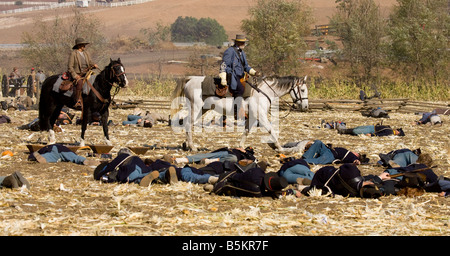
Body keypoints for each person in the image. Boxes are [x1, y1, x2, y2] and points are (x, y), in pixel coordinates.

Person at [219, 34, 260, 123]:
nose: (244, 44)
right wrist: (223, 76)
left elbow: (246, 66)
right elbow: (224, 65)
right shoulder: (229, 51)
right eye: (242, 42)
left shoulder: (242, 53)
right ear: (237, 42)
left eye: (244, 42)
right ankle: (237, 113)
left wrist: (254, 72)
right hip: (232, 75)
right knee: (240, 88)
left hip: (241, 76)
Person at [205, 165, 288, 199]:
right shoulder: (257, 191)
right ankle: (213, 187)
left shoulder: (258, 171)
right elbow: (264, 195)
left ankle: (214, 179)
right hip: (224, 188)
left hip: (228, 175)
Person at [68, 38, 99, 108]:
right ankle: (78, 100)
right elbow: (70, 67)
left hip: (87, 73)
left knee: (96, 80)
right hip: (78, 74)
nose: (84, 46)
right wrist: (75, 76)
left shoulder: (86, 53)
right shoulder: (73, 54)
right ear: (79, 46)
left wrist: (94, 64)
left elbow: (90, 62)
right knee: (80, 83)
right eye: (83, 45)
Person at [299, 139, 369, 165]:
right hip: (328, 150)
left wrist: (357, 161)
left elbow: (355, 161)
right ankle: (305, 157)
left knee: (318, 161)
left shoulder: (352, 156)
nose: (355, 152)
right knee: (318, 142)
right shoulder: (349, 153)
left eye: (357, 154)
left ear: (357, 156)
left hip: (331, 156)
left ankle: (301, 161)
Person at [165, 146, 256, 165]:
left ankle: (208, 161)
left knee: (233, 159)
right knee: (206, 155)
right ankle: (179, 160)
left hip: (231, 158)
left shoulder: (250, 156)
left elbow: (253, 160)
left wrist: (245, 152)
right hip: (226, 152)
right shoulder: (235, 149)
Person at [28, 144, 99, 166]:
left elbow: (30, 156)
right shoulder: (66, 148)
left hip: (53, 150)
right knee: (75, 158)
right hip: (63, 150)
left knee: (49, 157)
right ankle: (84, 161)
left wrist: (34, 154)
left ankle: (43, 157)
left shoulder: (43, 149)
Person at [338, 124, 405, 137]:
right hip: (372, 127)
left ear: (398, 133)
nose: (397, 129)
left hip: (372, 130)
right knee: (357, 128)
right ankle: (344, 130)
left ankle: (343, 131)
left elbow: (381, 134)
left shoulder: (390, 132)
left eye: (398, 130)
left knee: (356, 131)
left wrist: (372, 135)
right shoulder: (390, 129)